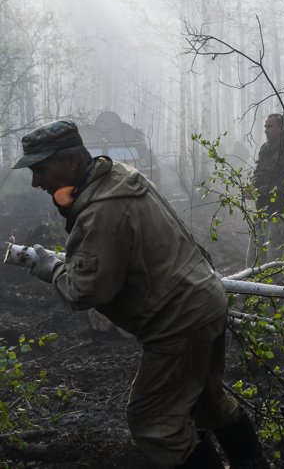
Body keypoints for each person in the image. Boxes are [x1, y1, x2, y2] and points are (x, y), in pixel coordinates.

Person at [13, 120, 266, 468]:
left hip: (178, 319)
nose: (36, 181)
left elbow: (86, 291)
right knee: (207, 404)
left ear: (71, 161)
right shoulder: (117, 177)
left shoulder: (103, 208)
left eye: (41, 169)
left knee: (154, 423)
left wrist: (51, 268)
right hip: (202, 299)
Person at [245, 113, 284, 266]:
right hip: (263, 209)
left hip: (281, 212)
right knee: (254, 259)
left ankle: (276, 291)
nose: (266, 130)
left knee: (275, 261)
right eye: (265, 126)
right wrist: (253, 187)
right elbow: (258, 171)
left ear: (282, 128)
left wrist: (261, 190)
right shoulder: (265, 148)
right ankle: (252, 289)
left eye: (270, 126)